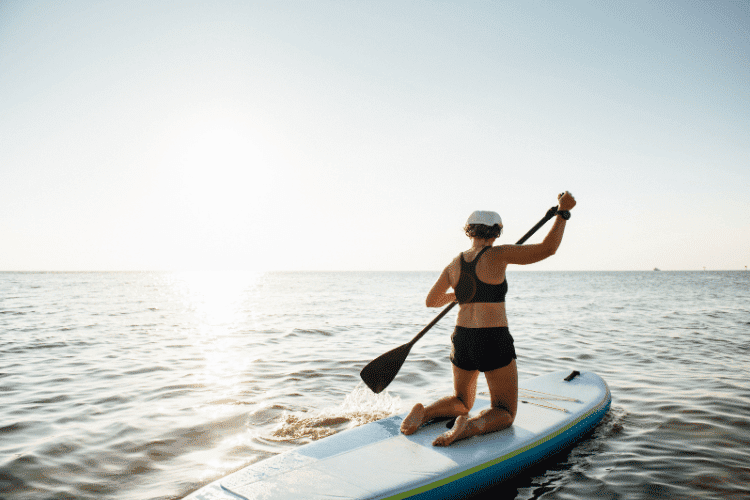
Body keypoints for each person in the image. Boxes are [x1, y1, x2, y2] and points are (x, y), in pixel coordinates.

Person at [400, 191, 577, 446]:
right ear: (497, 232)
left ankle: (425, 413)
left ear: (469, 231)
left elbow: (431, 301)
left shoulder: (454, 263)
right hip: (492, 338)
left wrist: (459, 295)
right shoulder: (498, 254)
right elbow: (548, 249)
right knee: (505, 411)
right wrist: (563, 213)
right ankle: (469, 426)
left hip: (462, 338)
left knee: (462, 401)